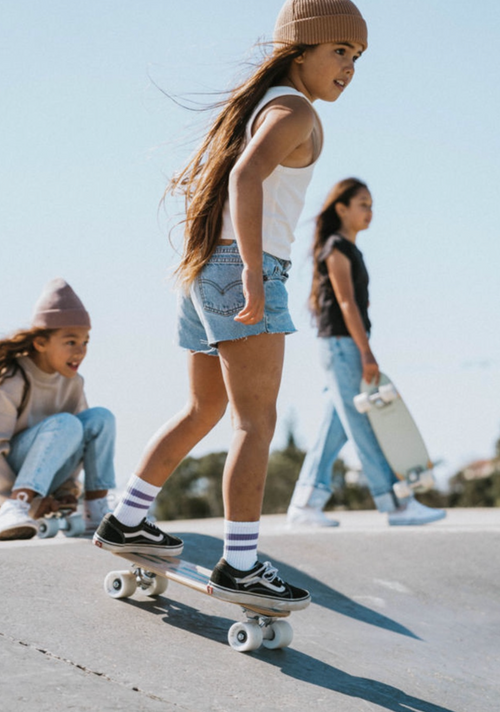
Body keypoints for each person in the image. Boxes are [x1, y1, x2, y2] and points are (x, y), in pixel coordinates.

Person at [93, 0, 369, 610]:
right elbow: (245, 178)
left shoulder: (268, 103)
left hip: (205, 268)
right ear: (299, 51)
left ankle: (128, 516)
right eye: (339, 51)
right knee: (256, 421)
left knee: (204, 407)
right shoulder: (293, 108)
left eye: (357, 57)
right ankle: (239, 564)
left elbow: (230, 182)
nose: (350, 67)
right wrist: (251, 270)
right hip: (243, 269)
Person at [287, 178, 447, 527]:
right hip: (343, 347)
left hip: (341, 347)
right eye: (363, 204)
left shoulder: (348, 249)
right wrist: (367, 352)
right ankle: (396, 504)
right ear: (341, 208)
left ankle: (304, 504)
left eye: (371, 205)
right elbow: (346, 304)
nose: (369, 211)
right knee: (363, 424)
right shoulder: (336, 248)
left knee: (337, 427)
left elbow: (352, 301)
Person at [0, 278, 116, 540]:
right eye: (71, 342)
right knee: (66, 423)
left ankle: (96, 512)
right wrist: (11, 501)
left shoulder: (74, 383)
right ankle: (16, 507)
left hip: (45, 479)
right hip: (9, 487)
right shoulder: (15, 376)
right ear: (41, 343)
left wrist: (66, 491)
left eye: (86, 342)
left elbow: (76, 443)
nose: (81, 351)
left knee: (100, 418)